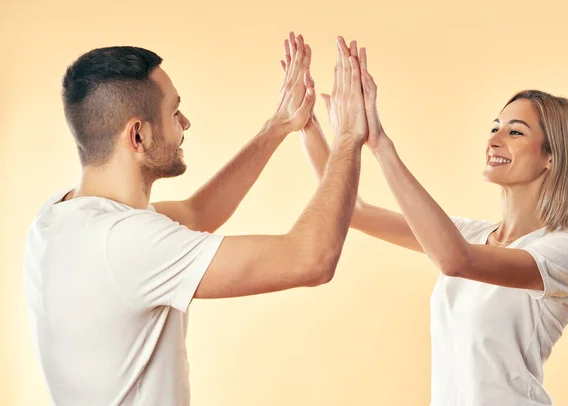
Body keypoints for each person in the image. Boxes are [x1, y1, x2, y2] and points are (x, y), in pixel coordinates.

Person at [23, 33, 368, 406]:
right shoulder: (124, 243)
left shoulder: (59, 217)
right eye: (174, 112)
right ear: (137, 135)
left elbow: (197, 214)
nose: (185, 123)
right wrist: (349, 135)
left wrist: (279, 126)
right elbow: (311, 259)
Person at [300, 39, 568, 405]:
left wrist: (379, 143)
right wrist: (307, 123)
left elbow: (455, 261)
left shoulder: (563, 252)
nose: (494, 140)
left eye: (515, 132)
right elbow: (355, 211)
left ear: (552, 157)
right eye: (495, 127)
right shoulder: (470, 235)